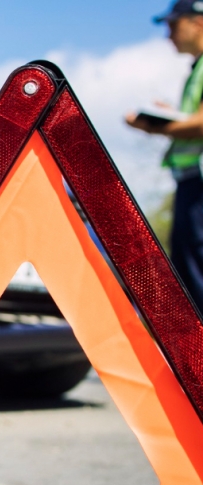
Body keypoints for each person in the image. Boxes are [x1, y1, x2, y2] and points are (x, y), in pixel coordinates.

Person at [128, 0, 203, 314]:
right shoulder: (197, 68)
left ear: (197, 21)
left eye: (173, 25)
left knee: (196, 269)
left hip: (199, 184)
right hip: (191, 182)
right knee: (189, 269)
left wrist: (156, 125)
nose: (168, 35)